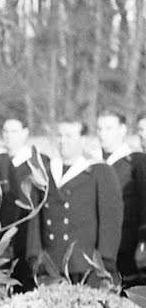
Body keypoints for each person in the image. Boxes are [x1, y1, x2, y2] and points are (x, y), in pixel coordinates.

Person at [26, 120, 122, 284]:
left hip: (86, 267)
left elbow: (110, 221)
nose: (63, 141)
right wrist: (34, 257)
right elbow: (35, 220)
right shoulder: (46, 172)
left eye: (69, 136)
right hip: (51, 266)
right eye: (60, 136)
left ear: (83, 140)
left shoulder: (99, 172)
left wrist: (105, 262)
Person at [0, 116, 47, 291]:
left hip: (26, 234)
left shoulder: (36, 163)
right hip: (0, 236)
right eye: (5, 131)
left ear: (25, 133)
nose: (8, 136)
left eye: (14, 131)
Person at [95, 110, 146, 285]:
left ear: (123, 130)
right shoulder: (94, 165)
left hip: (128, 247)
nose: (103, 134)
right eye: (99, 128)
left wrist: (142, 240)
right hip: (99, 250)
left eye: (109, 128)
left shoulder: (136, 162)